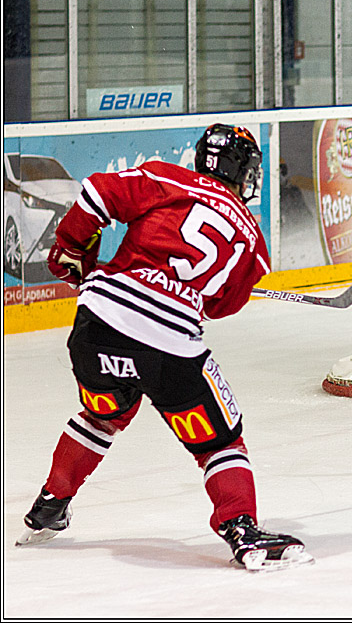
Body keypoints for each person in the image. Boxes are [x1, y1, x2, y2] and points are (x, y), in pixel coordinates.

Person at [16, 124, 313, 572]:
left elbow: (98, 193)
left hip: (96, 330)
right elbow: (218, 307)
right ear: (239, 170)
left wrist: (72, 247)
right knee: (221, 442)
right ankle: (241, 529)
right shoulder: (253, 239)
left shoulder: (167, 179)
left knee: (103, 414)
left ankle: (50, 503)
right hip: (168, 348)